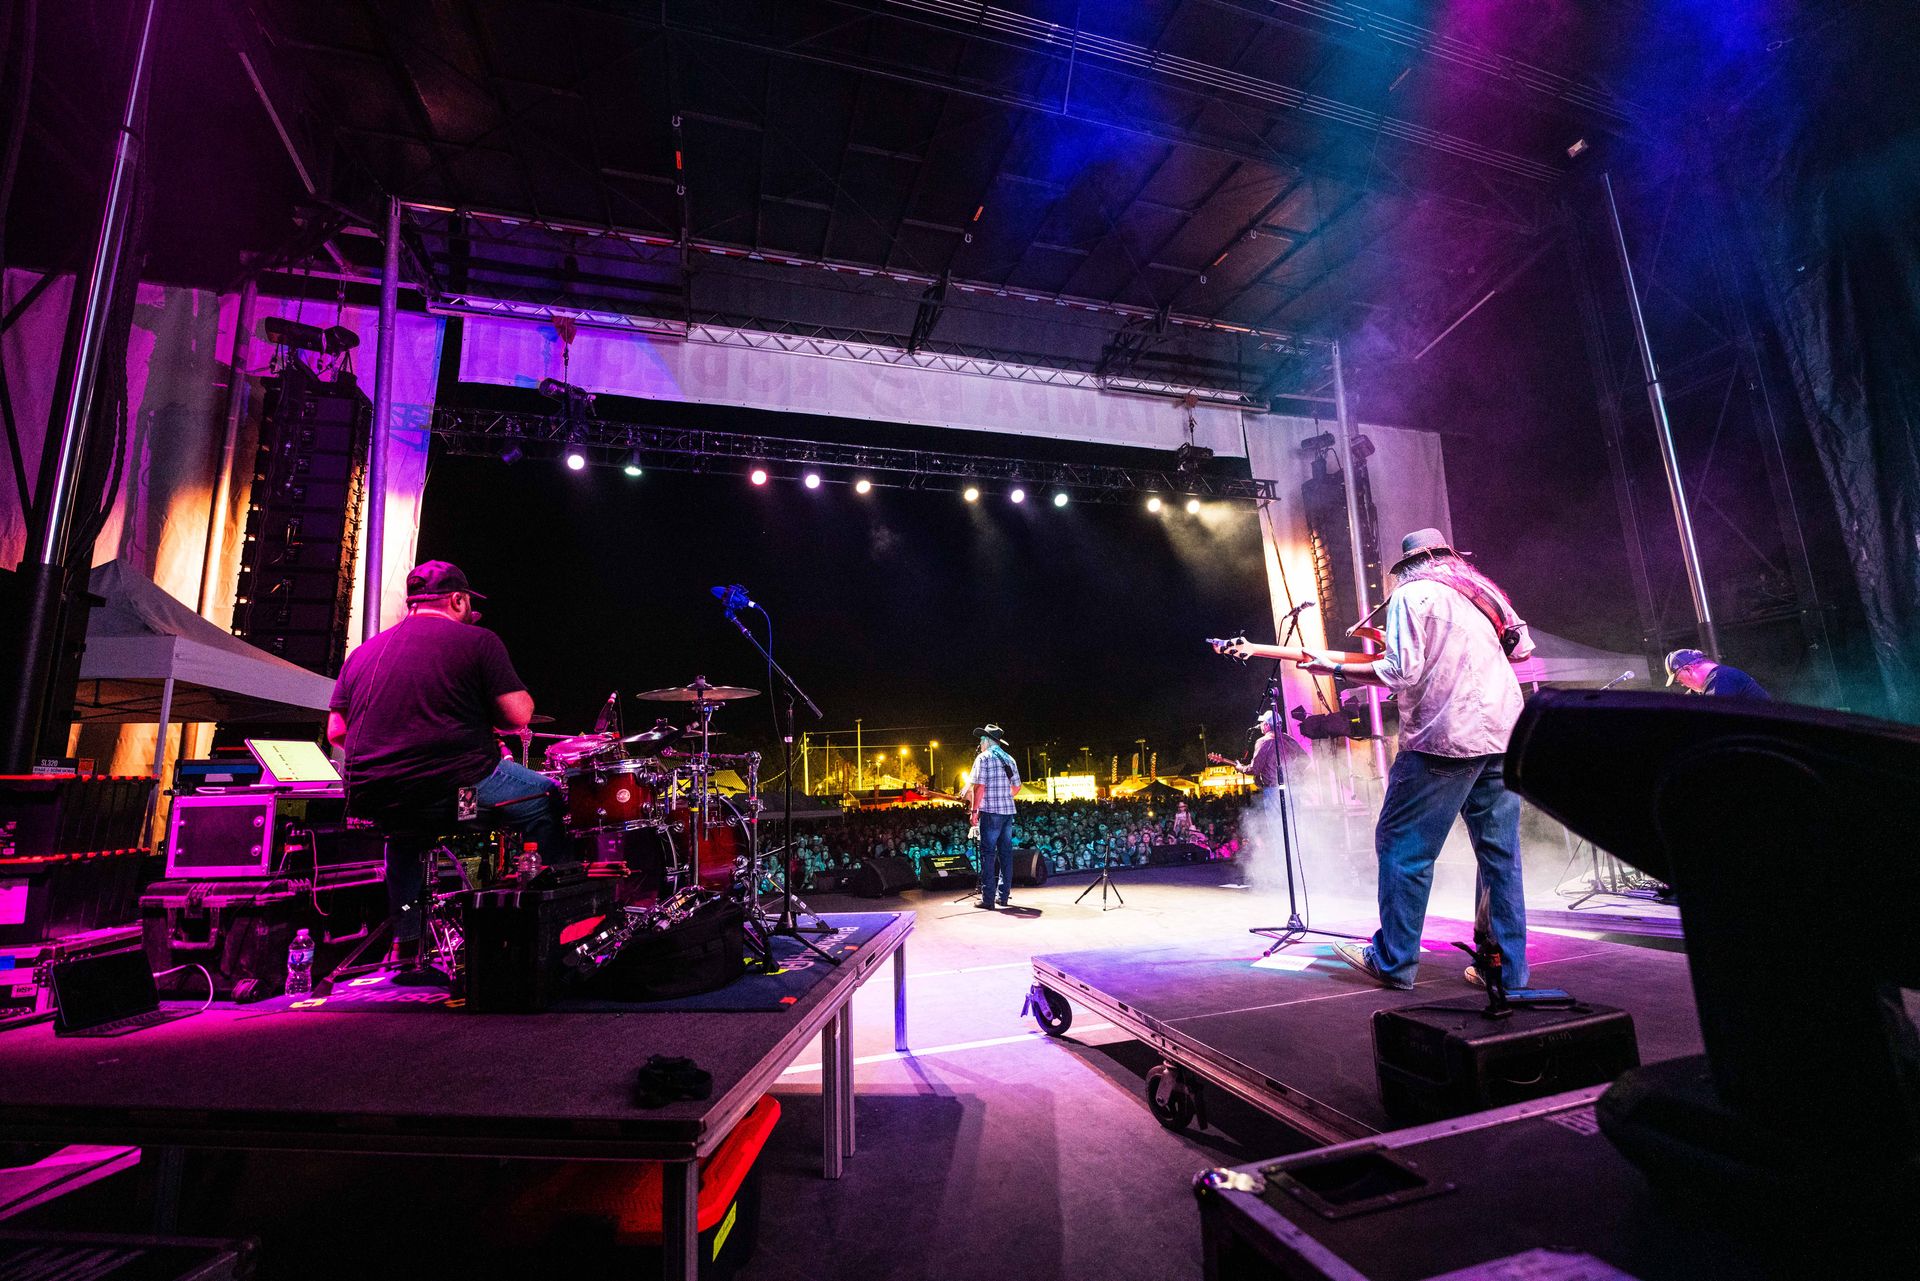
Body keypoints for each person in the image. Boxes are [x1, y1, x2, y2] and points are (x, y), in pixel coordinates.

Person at [1231, 528, 1534, 991]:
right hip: (1505, 734)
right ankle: (1506, 972)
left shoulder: (1413, 595)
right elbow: (1522, 651)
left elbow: (1399, 671)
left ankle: (1393, 961)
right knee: (1500, 858)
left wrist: (1333, 667)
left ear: (1408, 566)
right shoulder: (1485, 592)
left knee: (1404, 848)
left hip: (1444, 738)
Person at [327, 561, 570, 950]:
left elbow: (336, 731)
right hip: (457, 791)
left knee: (404, 832)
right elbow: (518, 717)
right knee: (545, 796)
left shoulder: (363, 653)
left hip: (376, 796)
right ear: (458, 599)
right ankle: (548, 923)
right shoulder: (478, 641)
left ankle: (407, 945)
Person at [968, 723, 1021, 910]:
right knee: (1006, 854)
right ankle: (1004, 896)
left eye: (982, 740)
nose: (980, 743)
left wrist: (975, 812)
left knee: (988, 854)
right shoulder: (1010, 759)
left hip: (991, 813)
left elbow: (979, 787)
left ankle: (988, 899)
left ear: (988, 741)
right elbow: (1017, 787)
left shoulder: (984, 758)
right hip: (1008, 813)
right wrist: (1005, 797)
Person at [1665, 648, 1770, 700]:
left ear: (1688, 669)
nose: (1682, 684)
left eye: (1679, 680)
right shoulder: (1704, 687)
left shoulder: (1722, 679)